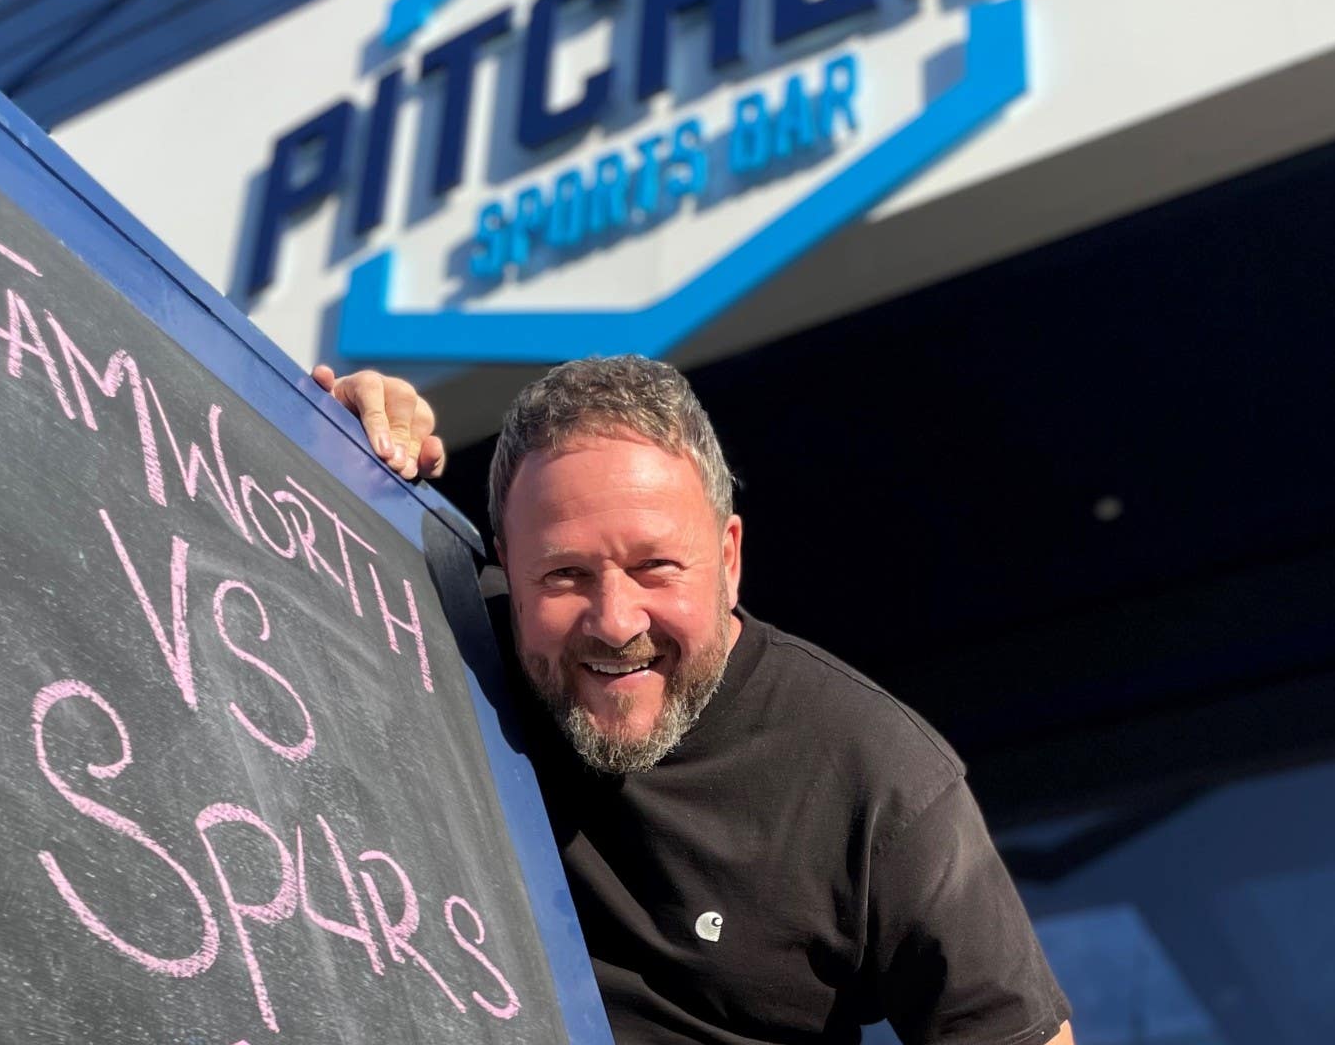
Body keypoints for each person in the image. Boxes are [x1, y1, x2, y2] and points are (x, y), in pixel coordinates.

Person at [315, 358, 1072, 1045]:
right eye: (564, 576)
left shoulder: (873, 773)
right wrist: (326, 443)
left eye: (656, 568)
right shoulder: (436, 641)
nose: (615, 622)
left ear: (729, 560)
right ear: (507, 567)